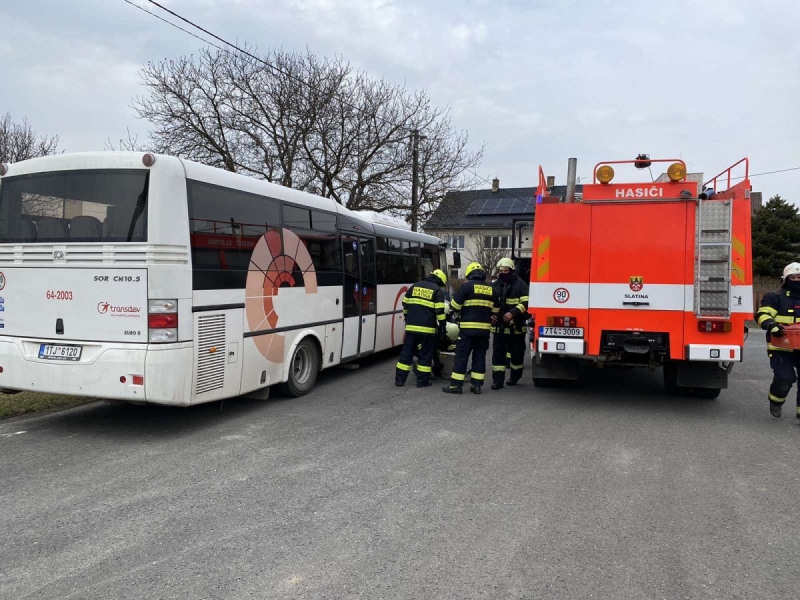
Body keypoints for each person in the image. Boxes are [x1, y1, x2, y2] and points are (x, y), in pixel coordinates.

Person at [443, 262, 499, 395]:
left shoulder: (466, 287)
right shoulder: (492, 289)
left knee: (461, 357)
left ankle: (456, 386)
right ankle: (477, 386)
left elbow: (455, 306)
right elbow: (496, 311)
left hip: (467, 331)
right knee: (479, 357)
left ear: (469, 275)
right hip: (484, 331)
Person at [756, 262, 800, 419]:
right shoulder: (775, 297)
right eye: (793, 277)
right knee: (785, 378)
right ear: (786, 279)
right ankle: (776, 401)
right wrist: (772, 325)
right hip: (781, 347)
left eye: (799, 277)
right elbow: (762, 315)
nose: (796, 280)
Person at [395, 269, 447, 388]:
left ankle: (399, 380)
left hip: (411, 328)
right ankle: (422, 382)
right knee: (425, 355)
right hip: (427, 330)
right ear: (439, 280)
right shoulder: (436, 290)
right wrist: (442, 326)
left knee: (406, 353)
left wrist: (408, 318)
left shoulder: (415, 286)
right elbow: (439, 311)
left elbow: (405, 304)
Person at [490, 257, 529, 389]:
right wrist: (491, 316)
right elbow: (488, 304)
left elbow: (526, 303)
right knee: (498, 358)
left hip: (516, 328)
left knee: (517, 356)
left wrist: (513, 313)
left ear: (512, 271)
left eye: (505, 271)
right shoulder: (494, 286)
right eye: (501, 271)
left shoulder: (521, 285)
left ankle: (515, 377)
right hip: (499, 329)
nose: (503, 273)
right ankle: (497, 381)